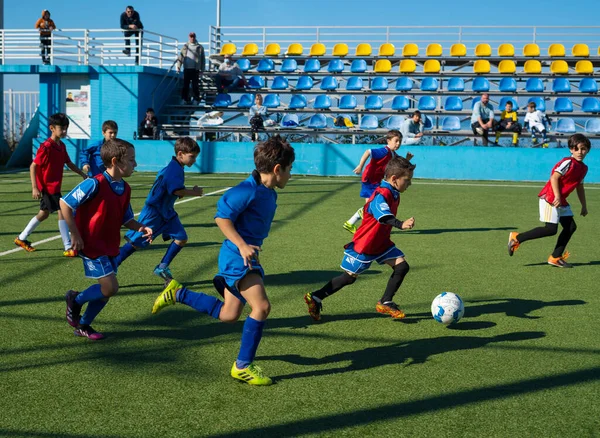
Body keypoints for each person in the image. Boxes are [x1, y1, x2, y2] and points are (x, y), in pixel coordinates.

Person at [151, 135, 295, 386]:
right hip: (236, 258)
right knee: (261, 307)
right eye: (290, 169)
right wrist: (241, 245)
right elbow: (222, 217)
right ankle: (243, 366)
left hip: (245, 256)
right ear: (277, 169)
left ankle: (179, 293)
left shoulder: (267, 191)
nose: (290, 175)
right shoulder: (247, 190)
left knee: (229, 315)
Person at [61, 139, 152, 340]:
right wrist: (74, 233)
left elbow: (126, 218)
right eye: (131, 160)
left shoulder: (125, 188)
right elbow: (65, 204)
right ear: (115, 161)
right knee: (110, 287)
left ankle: (83, 325)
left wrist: (141, 227)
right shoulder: (94, 183)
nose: (135, 164)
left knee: (106, 291)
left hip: (110, 245)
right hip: (91, 244)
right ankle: (76, 300)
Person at [305, 157, 416, 321]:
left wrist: (404, 162)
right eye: (407, 180)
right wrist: (401, 224)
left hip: (382, 243)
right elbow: (383, 217)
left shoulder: (393, 191)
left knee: (402, 267)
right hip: (366, 244)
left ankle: (385, 301)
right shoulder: (381, 194)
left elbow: (393, 171)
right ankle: (315, 297)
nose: (409, 184)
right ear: (394, 179)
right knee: (349, 278)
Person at [116, 137, 203, 280]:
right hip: (155, 212)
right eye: (192, 157)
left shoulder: (175, 167)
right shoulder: (174, 169)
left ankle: (162, 267)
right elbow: (176, 190)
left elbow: (169, 188)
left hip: (166, 212)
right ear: (180, 154)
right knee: (135, 243)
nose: (194, 160)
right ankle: (113, 265)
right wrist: (194, 192)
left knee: (181, 238)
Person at [508, 134, 590, 268]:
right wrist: (557, 196)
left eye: (583, 149)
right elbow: (554, 178)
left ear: (587, 150)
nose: (580, 152)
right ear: (571, 150)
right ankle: (517, 238)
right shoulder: (568, 162)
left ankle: (555, 257)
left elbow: (579, 186)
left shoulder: (583, 168)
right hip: (550, 197)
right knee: (551, 229)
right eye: (576, 149)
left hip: (560, 200)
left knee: (570, 227)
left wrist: (584, 206)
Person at [14, 113, 87, 256]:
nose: (65, 131)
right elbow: (33, 166)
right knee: (63, 212)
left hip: (55, 187)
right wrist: (35, 187)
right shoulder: (46, 147)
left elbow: (69, 163)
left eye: (66, 128)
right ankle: (67, 247)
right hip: (48, 188)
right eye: (62, 128)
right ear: (52, 128)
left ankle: (21, 238)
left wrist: (82, 174)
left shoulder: (61, 146)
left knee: (44, 214)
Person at [343, 130, 413, 234]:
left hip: (375, 181)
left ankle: (354, 224)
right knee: (371, 205)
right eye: (396, 141)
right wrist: (360, 166)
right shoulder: (384, 151)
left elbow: (400, 165)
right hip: (370, 179)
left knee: (371, 204)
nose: (398, 144)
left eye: (400, 141)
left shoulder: (393, 154)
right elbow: (368, 151)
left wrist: (407, 159)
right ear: (388, 141)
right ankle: (352, 224)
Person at [176, 32, 206, 104]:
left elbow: (203, 59)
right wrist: (178, 66)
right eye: (191, 36)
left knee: (195, 85)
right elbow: (181, 57)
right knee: (185, 85)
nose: (192, 38)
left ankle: (196, 99)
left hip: (195, 69)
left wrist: (202, 69)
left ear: (195, 37)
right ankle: (184, 99)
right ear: (189, 37)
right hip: (187, 68)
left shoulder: (200, 47)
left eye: (193, 36)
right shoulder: (185, 46)